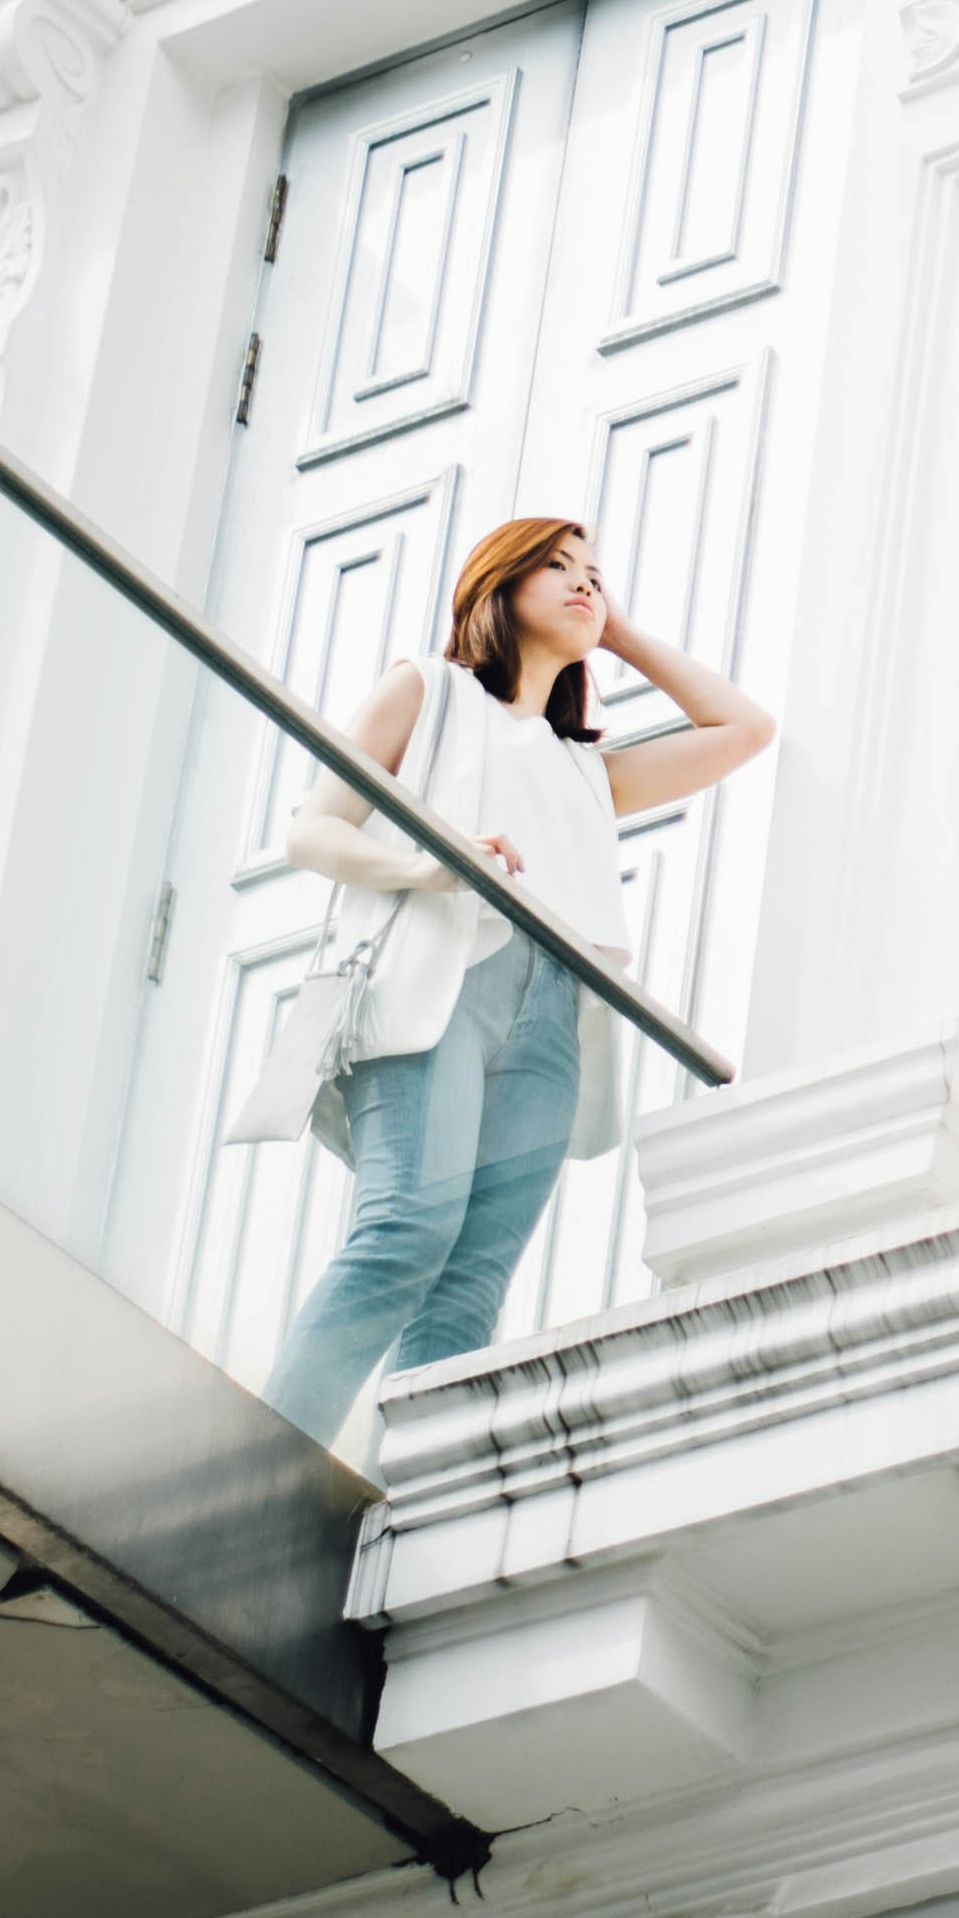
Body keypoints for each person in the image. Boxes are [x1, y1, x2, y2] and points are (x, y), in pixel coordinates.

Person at [245, 515, 774, 1446]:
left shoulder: (586, 770)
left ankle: (398, 1501)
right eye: (558, 567)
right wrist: (428, 864)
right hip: (439, 988)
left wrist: (617, 631)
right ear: (499, 581)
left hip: (550, 1026)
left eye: (594, 574)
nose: (582, 583)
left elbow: (745, 728)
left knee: (470, 1286)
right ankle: (260, 1468)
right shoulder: (430, 691)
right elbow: (311, 829)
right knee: (403, 1235)